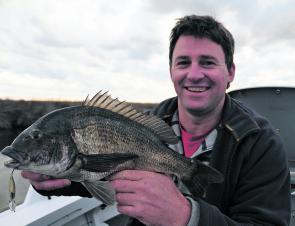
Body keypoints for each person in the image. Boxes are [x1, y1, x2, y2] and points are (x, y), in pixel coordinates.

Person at [21, 15, 290, 226]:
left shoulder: (261, 144)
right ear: (171, 70)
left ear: (230, 72)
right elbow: (99, 173)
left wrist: (186, 216)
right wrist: (49, 178)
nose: (194, 74)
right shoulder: (145, 125)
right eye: (183, 62)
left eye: (207, 62)